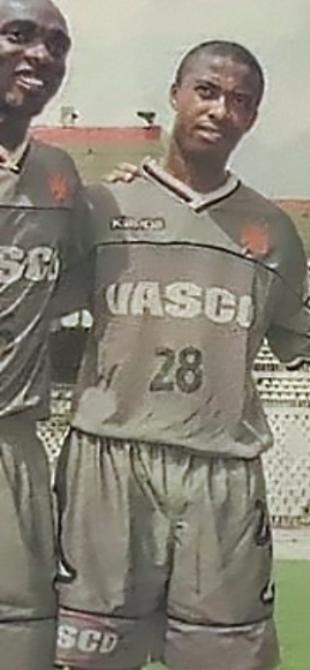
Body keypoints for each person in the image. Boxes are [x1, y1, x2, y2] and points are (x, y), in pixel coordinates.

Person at [54, 40, 310, 670]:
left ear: (252, 117)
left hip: (220, 471)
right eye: (206, 91)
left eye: (240, 100)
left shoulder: (272, 231)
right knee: (86, 658)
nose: (220, 110)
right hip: (109, 461)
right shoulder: (104, 206)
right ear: (175, 95)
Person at [0, 0, 87, 667]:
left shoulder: (59, 176)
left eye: (56, 44)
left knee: (23, 641)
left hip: (13, 444)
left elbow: (77, 283)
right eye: (19, 35)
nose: (40, 54)